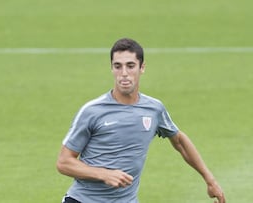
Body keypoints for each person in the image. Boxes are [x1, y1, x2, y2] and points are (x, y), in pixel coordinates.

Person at [56, 38, 225, 203]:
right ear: (111, 69)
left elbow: (179, 141)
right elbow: (64, 162)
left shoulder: (154, 109)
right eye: (118, 66)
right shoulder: (92, 111)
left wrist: (210, 180)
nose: (124, 73)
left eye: (130, 66)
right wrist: (104, 174)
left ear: (142, 68)